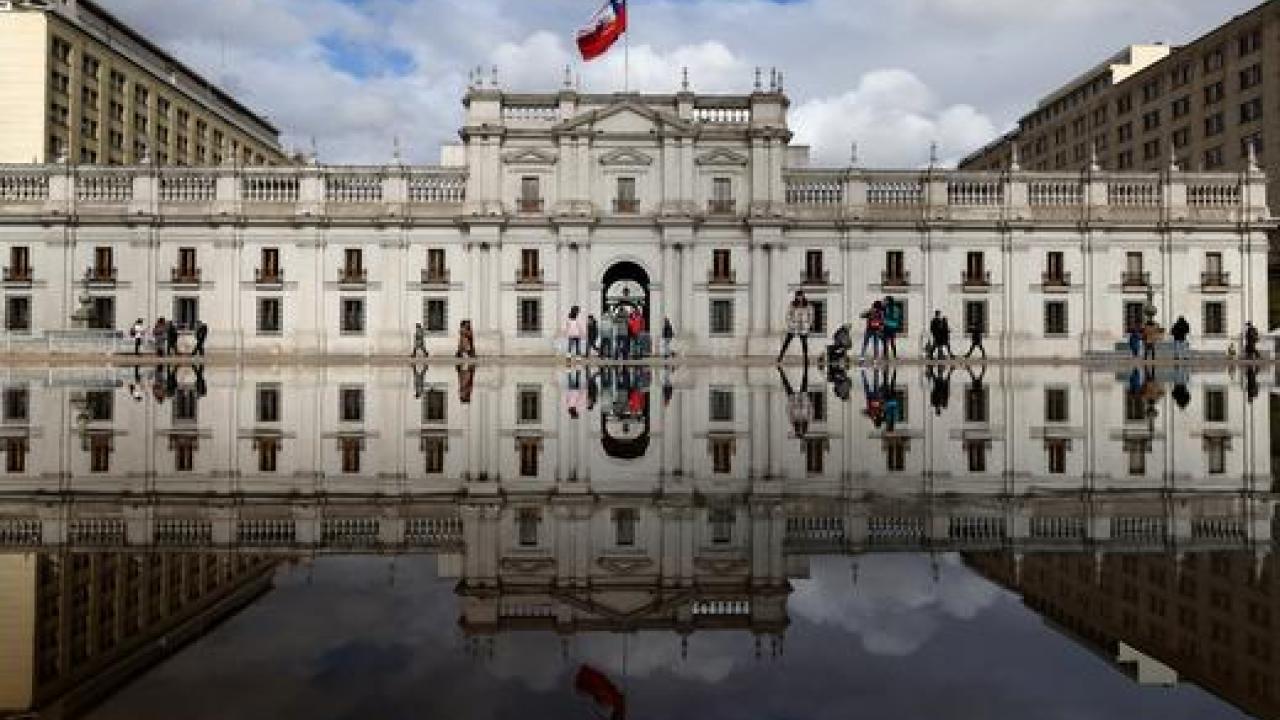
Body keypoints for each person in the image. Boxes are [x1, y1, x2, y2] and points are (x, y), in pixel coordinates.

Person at [777, 291, 814, 364]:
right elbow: (788, 315)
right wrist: (791, 324)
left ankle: (806, 359)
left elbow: (811, 316)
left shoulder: (808, 305)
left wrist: (808, 325)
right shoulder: (792, 305)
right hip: (794, 327)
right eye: (798, 296)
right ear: (796, 297)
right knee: (786, 342)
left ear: (803, 296)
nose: (800, 298)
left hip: (803, 327)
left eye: (801, 296)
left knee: (804, 344)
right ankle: (780, 357)